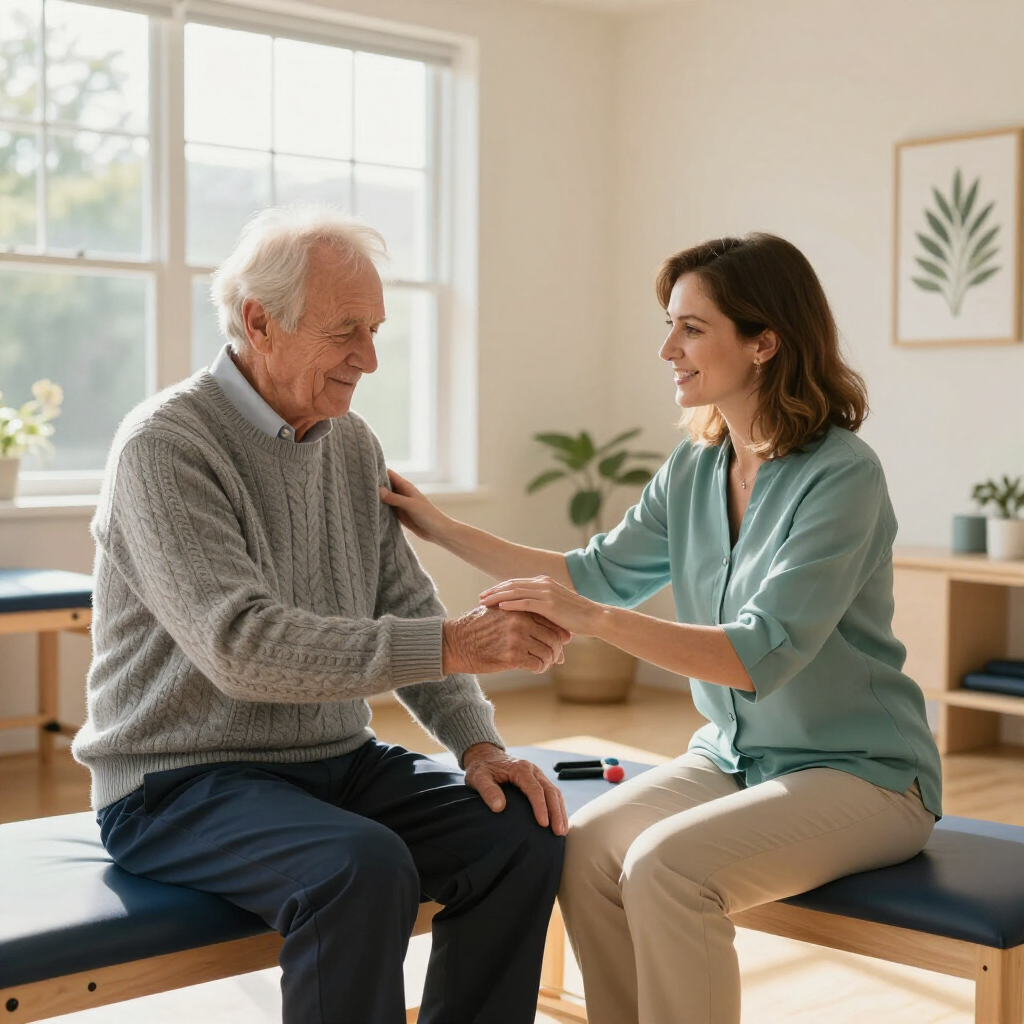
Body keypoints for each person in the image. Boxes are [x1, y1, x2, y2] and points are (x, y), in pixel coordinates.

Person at [380, 232, 943, 1024]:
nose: (666, 348)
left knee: (668, 867)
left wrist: (595, 621)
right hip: (736, 759)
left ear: (763, 342)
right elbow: (589, 573)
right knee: (586, 847)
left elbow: (757, 655)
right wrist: (439, 527)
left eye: (690, 328)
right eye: (669, 324)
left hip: (865, 776)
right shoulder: (697, 467)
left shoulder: (842, 475)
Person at [73, 205, 569, 1024]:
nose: (369, 359)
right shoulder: (165, 446)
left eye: (374, 331)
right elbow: (241, 646)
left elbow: (403, 600)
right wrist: (454, 645)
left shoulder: (350, 441)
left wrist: (479, 746)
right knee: (359, 866)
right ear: (260, 323)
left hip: (334, 762)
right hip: (177, 782)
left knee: (519, 834)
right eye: (347, 331)